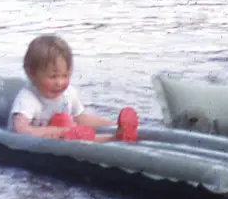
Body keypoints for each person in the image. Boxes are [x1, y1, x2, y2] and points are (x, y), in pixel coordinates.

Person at [9, 34, 138, 142]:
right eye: (53, 77)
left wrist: (111, 124)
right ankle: (112, 138)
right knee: (67, 126)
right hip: (39, 143)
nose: (59, 82)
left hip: (62, 135)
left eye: (65, 76)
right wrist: (57, 131)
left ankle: (117, 134)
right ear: (31, 74)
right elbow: (20, 129)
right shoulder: (27, 98)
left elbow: (81, 119)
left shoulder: (68, 94)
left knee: (69, 124)